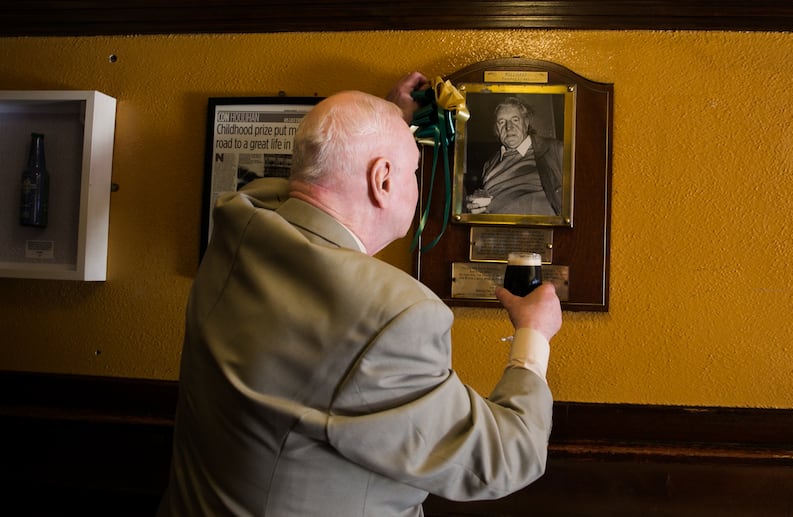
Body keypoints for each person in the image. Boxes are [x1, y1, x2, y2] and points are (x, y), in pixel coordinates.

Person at [157, 72, 563, 517]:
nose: (416, 180)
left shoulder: (238, 221)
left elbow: (306, 180)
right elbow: (504, 459)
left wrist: (385, 122)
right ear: (383, 179)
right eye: (413, 169)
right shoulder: (393, 316)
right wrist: (533, 334)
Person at [466, 96, 563, 216]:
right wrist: (475, 208)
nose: (509, 127)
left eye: (515, 120)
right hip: (494, 226)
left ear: (526, 123)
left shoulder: (553, 150)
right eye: (502, 122)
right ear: (496, 129)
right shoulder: (490, 164)